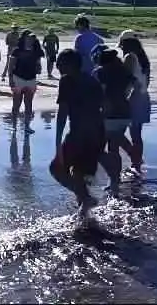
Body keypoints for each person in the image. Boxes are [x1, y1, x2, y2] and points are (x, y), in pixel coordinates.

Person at [51, 49, 114, 219]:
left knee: (56, 168)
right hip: (97, 132)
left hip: (79, 134)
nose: (57, 67)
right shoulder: (91, 80)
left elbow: (63, 112)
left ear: (70, 65)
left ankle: (85, 199)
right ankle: (84, 214)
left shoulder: (67, 81)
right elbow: (106, 108)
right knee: (78, 172)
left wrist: (58, 141)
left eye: (60, 63)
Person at [94, 48, 135, 196]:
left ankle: (114, 180)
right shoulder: (125, 72)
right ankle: (115, 181)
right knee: (113, 147)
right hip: (124, 112)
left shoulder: (100, 72)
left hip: (108, 114)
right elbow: (131, 88)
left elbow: (100, 94)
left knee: (98, 148)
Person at [118, 30, 151, 175]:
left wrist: (121, 98)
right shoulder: (143, 58)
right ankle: (136, 163)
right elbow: (146, 82)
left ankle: (134, 158)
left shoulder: (129, 57)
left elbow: (126, 80)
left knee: (116, 132)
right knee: (136, 135)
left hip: (132, 97)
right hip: (143, 96)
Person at [7, 31, 45, 132]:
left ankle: (27, 126)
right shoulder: (17, 51)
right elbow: (10, 66)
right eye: (28, 38)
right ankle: (14, 126)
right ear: (23, 38)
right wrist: (10, 79)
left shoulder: (36, 51)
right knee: (16, 104)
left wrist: (38, 68)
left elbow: (38, 66)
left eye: (32, 38)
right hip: (18, 79)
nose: (30, 40)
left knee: (28, 104)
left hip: (31, 80)